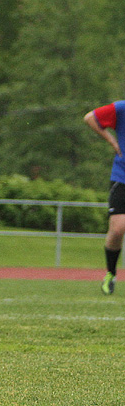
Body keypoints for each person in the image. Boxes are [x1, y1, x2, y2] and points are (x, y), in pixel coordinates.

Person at [83, 103, 125, 295]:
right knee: (117, 229)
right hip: (122, 176)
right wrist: (112, 142)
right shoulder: (122, 108)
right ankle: (111, 273)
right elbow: (90, 118)